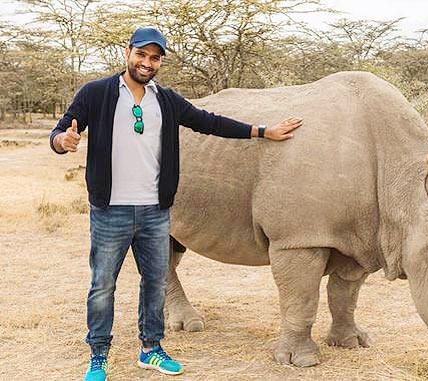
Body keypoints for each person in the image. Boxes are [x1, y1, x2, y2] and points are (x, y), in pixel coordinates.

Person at [50, 27, 302, 381]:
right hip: (111, 210)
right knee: (103, 285)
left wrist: (262, 131)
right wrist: (65, 140)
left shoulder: (166, 100)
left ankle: (151, 349)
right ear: (128, 52)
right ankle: (99, 355)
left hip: (154, 210)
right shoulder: (96, 93)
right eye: (141, 54)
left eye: (155, 57)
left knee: (154, 284)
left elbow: (210, 123)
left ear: (159, 62)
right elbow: (59, 133)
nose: (147, 62)